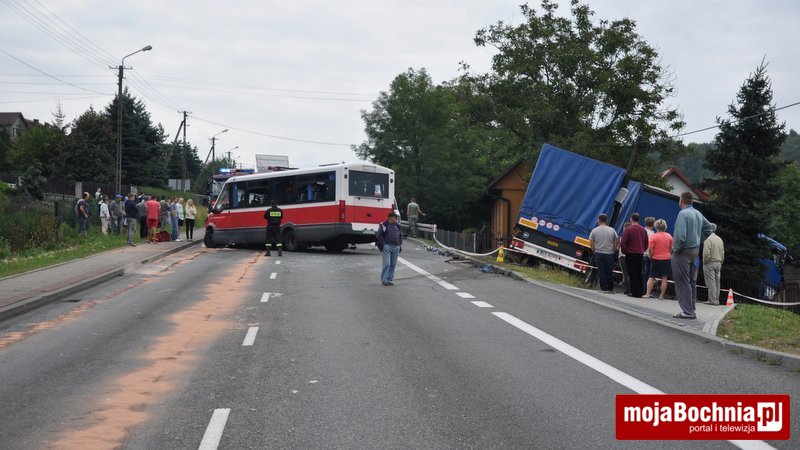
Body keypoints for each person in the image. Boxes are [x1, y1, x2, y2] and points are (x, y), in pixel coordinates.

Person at [671, 191, 714, 319]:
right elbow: (709, 228)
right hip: (695, 250)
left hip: (683, 251)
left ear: (681, 201)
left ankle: (687, 312)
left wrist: (676, 249)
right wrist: (699, 240)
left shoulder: (683, 214)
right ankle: (691, 310)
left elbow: (680, 235)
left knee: (682, 281)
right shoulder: (698, 214)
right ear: (692, 201)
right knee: (691, 281)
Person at [620, 213, 649, 298]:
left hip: (630, 253)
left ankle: (634, 292)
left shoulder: (628, 230)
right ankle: (640, 291)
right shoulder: (643, 230)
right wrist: (642, 249)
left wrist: (625, 251)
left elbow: (623, 243)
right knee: (639, 272)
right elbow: (646, 243)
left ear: (631, 219)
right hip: (640, 254)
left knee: (632, 273)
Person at [643, 219, 673, 300]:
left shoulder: (653, 236)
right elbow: (671, 249)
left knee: (651, 276)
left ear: (656, 227)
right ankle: (661, 295)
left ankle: (647, 293)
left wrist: (650, 255)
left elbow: (650, 249)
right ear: (665, 227)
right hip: (666, 258)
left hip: (656, 258)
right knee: (664, 277)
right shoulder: (669, 236)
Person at [589, 213, 619, 293]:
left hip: (599, 253)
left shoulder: (594, 230)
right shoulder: (612, 230)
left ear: (598, 220)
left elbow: (591, 242)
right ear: (607, 221)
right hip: (609, 253)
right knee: (609, 271)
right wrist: (614, 249)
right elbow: (616, 240)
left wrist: (594, 250)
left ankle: (603, 288)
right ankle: (610, 288)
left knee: (601, 271)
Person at [376, 211, 403, 285]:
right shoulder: (384, 225)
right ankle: (384, 280)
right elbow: (379, 235)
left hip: (396, 246)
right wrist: (384, 245)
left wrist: (399, 244)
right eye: (395, 218)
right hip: (387, 246)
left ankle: (389, 279)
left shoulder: (398, 225)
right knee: (387, 264)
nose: (396, 219)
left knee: (393, 264)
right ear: (390, 218)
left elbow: (400, 235)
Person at [702, 224, 725, 305]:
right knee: (717, 282)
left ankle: (712, 300)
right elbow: (722, 253)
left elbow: (706, 253)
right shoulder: (719, 239)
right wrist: (721, 262)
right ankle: (716, 300)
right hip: (718, 262)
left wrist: (704, 262)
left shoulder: (708, 239)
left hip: (710, 263)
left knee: (711, 282)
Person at [642, 216, 655, 293]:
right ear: (653, 224)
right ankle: (645, 290)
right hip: (648, 255)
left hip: (640, 254)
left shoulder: (642, 231)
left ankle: (639, 288)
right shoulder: (652, 234)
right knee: (647, 274)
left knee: (640, 272)